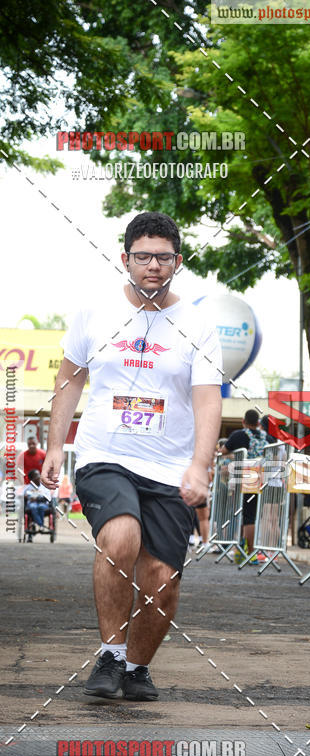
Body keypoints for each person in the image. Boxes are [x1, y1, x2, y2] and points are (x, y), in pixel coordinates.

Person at [41, 211, 222, 701]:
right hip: (106, 454)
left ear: (177, 262)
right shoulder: (95, 313)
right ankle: (110, 653)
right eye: (143, 257)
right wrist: (57, 444)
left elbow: (208, 398)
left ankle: (137, 667)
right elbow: (70, 378)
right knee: (120, 538)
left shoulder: (198, 324)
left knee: (163, 579)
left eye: (163, 258)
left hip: (169, 466)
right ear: (125, 259)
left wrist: (199, 465)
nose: (153, 267)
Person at [224, 409, 269, 563]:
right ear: (258, 423)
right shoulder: (265, 437)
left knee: (247, 516)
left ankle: (251, 553)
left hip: (244, 477)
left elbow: (223, 450)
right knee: (250, 514)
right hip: (260, 477)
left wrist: (232, 456)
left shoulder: (239, 435)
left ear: (243, 421)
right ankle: (243, 549)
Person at [22, 469, 51, 539]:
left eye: (39, 475)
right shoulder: (28, 488)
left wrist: (37, 498)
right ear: (32, 479)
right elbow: (24, 497)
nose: (39, 477)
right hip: (32, 504)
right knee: (33, 507)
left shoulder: (44, 487)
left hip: (42, 504)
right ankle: (40, 525)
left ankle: (37, 523)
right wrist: (25, 497)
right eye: (36, 475)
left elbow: (48, 498)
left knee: (40, 507)